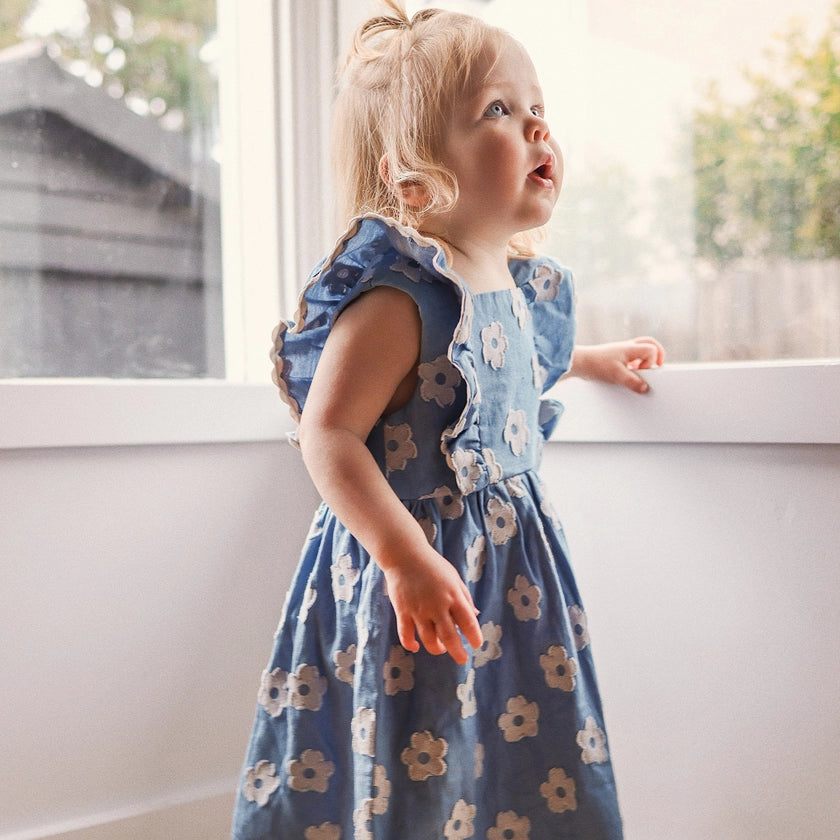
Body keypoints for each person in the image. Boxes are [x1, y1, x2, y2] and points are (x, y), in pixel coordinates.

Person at [232, 3, 664, 839]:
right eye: (499, 111)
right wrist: (403, 558)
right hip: (423, 573)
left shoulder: (513, 283)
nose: (537, 124)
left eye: (537, 106)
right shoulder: (401, 300)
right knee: (423, 761)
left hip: (510, 580)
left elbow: (502, 363)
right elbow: (328, 434)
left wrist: (593, 359)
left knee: (511, 762)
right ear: (415, 180)